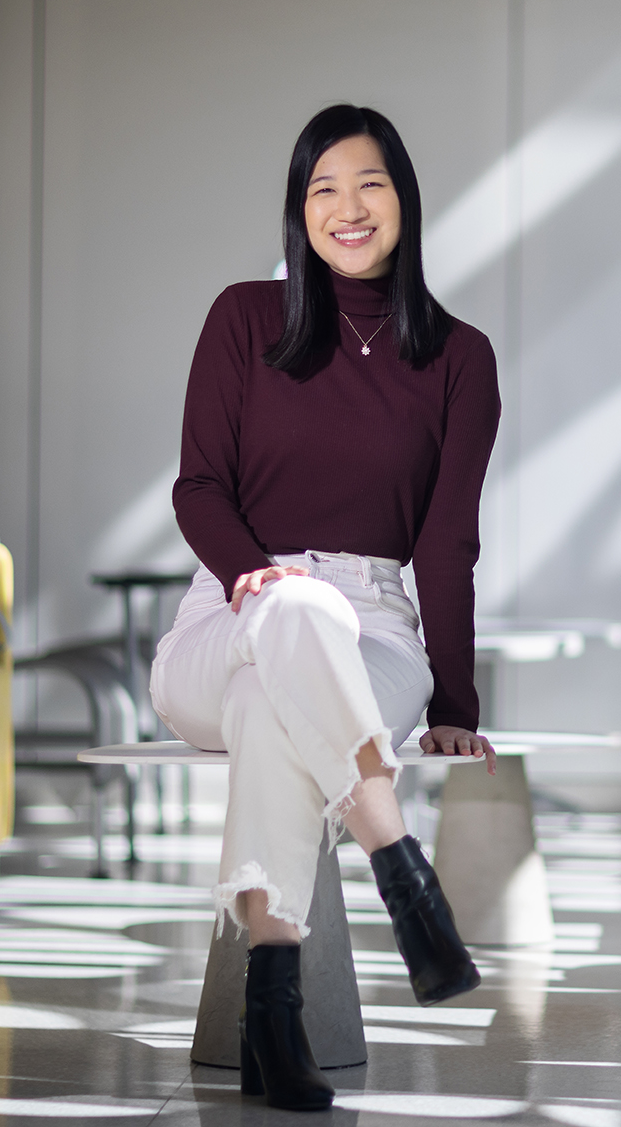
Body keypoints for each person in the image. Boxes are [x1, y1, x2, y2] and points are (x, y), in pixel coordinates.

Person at [150, 104, 501, 1112]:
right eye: (322, 189)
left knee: (275, 707)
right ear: (298, 209)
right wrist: (252, 573)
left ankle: (273, 1010)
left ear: (405, 200)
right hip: (225, 614)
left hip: (374, 629)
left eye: (369, 184)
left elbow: (446, 541)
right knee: (286, 617)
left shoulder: (459, 358)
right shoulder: (241, 318)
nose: (347, 208)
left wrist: (454, 698)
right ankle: (398, 856)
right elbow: (197, 487)